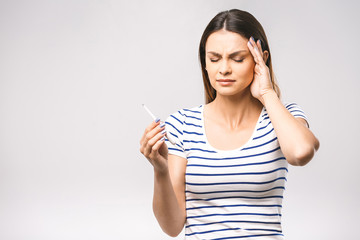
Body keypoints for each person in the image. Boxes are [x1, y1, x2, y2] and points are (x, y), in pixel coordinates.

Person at [139, 9, 320, 239]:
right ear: (204, 62)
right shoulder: (182, 124)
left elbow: (301, 153)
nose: (223, 68)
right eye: (214, 59)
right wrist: (160, 170)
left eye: (237, 58)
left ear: (260, 59)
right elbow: (172, 226)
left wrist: (266, 93)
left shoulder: (283, 117)